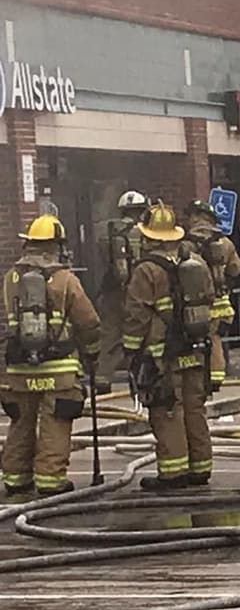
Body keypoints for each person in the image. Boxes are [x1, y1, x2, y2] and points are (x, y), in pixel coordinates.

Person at [0, 216, 101, 496]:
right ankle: (50, 481)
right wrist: (92, 353)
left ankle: (16, 478)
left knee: (21, 422)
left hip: (19, 370)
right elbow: (89, 322)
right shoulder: (65, 279)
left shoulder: (11, 278)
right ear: (57, 246)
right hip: (59, 369)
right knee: (55, 423)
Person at [122, 202, 216, 491]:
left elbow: (136, 314)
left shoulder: (146, 270)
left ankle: (173, 473)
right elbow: (210, 299)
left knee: (167, 410)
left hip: (162, 353)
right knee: (194, 408)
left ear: (149, 237)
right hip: (195, 348)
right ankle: (200, 468)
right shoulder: (196, 263)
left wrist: (132, 351)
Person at [183, 200, 240, 393]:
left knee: (193, 340)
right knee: (215, 339)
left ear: (196, 217)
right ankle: (216, 378)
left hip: (195, 302)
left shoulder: (186, 243)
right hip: (222, 303)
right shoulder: (225, 242)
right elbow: (236, 269)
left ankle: (200, 377)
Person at [96, 190, 149, 392]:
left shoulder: (107, 232)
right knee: (137, 334)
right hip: (136, 291)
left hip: (110, 290)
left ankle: (102, 379)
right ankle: (138, 378)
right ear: (141, 211)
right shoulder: (143, 233)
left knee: (109, 334)